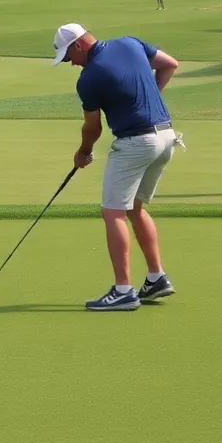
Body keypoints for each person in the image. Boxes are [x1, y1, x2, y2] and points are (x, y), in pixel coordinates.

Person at [53, 23, 181, 312]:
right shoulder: (129, 43)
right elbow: (170, 65)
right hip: (166, 137)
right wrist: (149, 97)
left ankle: (123, 290)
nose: (69, 63)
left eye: (67, 56)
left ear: (78, 45)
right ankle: (156, 278)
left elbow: (93, 126)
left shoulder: (89, 78)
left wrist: (83, 153)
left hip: (137, 142)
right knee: (135, 208)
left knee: (113, 212)